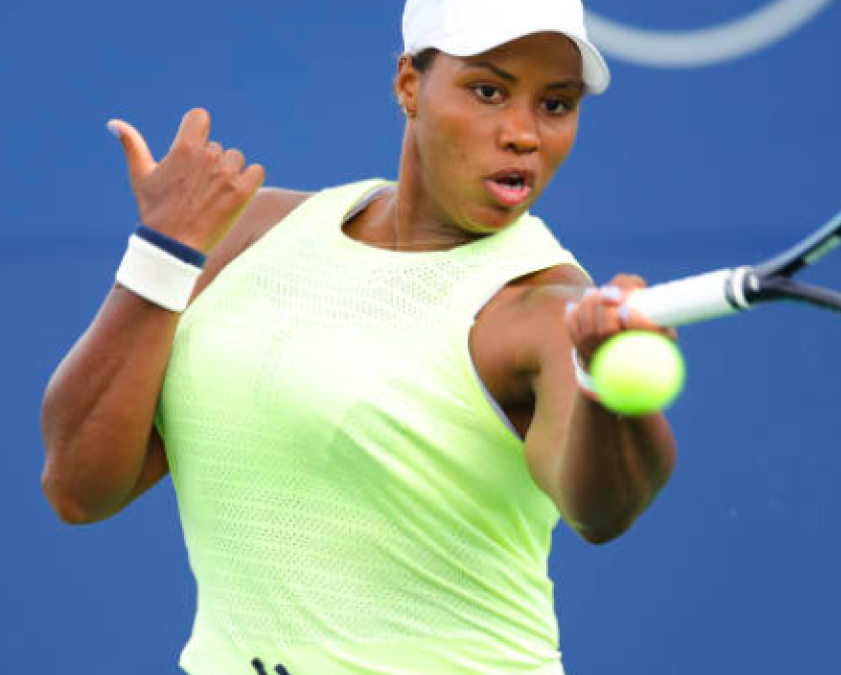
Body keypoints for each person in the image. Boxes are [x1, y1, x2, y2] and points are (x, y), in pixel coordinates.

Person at [39, 0, 677, 673]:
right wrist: (162, 253)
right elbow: (78, 486)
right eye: (489, 91)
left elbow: (603, 509)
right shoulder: (249, 231)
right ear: (409, 84)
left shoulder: (543, 308)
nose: (523, 133)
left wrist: (609, 385)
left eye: (555, 104)